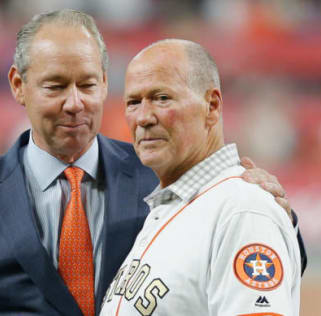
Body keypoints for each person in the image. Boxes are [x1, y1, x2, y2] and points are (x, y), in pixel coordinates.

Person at [0, 10, 305, 316]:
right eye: (56, 86)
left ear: (106, 82)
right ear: (19, 86)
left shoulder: (167, 175)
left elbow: (256, 260)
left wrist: (279, 216)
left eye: (88, 84)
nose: (75, 103)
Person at [99, 39, 301, 316]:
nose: (143, 117)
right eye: (133, 102)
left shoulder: (241, 209)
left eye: (162, 98)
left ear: (212, 105)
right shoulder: (165, 209)